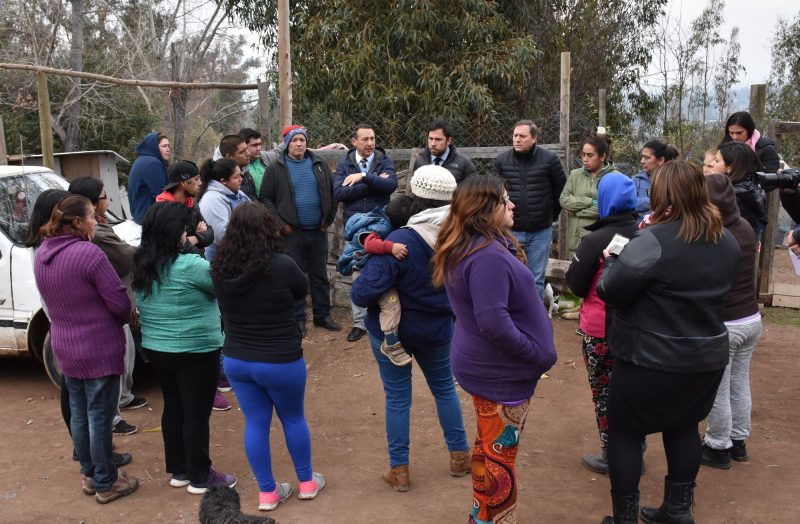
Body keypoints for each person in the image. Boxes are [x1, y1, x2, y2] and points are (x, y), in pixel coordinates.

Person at [595, 160, 740, 524]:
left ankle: (624, 518)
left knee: (625, 432)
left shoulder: (652, 240)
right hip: (705, 358)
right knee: (684, 426)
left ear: (663, 195)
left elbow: (610, 291)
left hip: (651, 360)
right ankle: (678, 511)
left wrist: (611, 261)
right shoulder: (726, 239)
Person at [432, 175, 557, 523]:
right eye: (505, 200)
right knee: (501, 461)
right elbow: (494, 322)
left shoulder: (472, 245)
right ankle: (498, 519)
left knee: (488, 449)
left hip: (488, 370)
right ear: (486, 209)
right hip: (501, 375)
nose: (512, 205)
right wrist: (538, 354)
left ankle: (480, 517)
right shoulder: (487, 256)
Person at [351, 166, 470, 493]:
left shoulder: (400, 239)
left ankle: (400, 470)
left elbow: (362, 293)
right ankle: (459, 457)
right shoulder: (461, 236)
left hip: (395, 335)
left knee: (398, 398)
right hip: (437, 330)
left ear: (414, 196)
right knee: (445, 388)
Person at [212, 202, 325, 512]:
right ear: (268, 229)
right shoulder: (282, 265)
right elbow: (301, 290)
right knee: (293, 418)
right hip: (280, 358)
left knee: (256, 424)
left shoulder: (219, 268)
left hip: (237, 359)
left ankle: (268, 493)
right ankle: (306, 483)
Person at [34, 195, 139, 504]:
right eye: (93, 216)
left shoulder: (42, 253)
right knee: (99, 416)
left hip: (65, 346)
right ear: (77, 223)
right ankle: (106, 482)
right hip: (98, 348)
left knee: (80, 415)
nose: (97, 220)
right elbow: (119, 303)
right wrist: (127, 315)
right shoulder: (89, 254)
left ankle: (90, 475)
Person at [132, 202, 236, 495]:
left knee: (174, 407)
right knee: (197, 412)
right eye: (184, 228)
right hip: (194, 349)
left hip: (158, 348)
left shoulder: (142, 263)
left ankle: (179, 470)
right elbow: (223, 286)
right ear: (175, 231)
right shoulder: (191, 265)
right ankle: (201, 475)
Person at [565, 173, 639, 475]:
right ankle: (636, 447)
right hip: (637, 328)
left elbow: (576, 284)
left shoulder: (595, 240)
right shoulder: (646, 233)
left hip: (600, 329)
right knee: (633, 390)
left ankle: (613, 455)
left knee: (604, 393)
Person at [68, 177, 146, 434]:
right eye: (104, 197)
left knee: (126, 358)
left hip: (116, 308)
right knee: (111, 370)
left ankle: (122, 400)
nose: (109, 201)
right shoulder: (94, 235)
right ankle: (110, 423)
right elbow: (126, 257)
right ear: (89, 205)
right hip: (108, 312)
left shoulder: (99, 228)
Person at [701, 174, 762, 470]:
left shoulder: (715, 234)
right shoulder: (745, 226)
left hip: (728, 324)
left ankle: (717, 446)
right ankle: (738, 441)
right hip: (751, 318)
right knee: (739, 381)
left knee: (718, 385)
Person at [259, 125, 340, 337]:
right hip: (290, 233)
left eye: (302, 140)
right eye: (294, 140)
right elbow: (266, 198)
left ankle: (322, 315)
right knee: (295, 276)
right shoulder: (276, 168)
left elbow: (333, 194)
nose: (298, 144)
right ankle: (297, 318)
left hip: (317, 231)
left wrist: (328, 219)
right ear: (287, 143)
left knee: (320, 274)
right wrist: (280, 225)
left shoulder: (319, 164)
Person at [334, 124, 398, 342]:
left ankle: (385, 317)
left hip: (380, 222)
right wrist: (373, 181)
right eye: (365, 139)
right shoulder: (344, 163)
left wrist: (362, 177)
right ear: (354, 142)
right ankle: (359, 323)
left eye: (372, 138)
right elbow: (339, 192)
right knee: (356, 269)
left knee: (382, 267)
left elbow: (390, 186)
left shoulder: (384, 160)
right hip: (354, 226)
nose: (370, 143)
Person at [493, 119, 566, 299]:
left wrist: (549, 215)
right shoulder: (502, 161)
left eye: (522, 136)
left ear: (534, 138)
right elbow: (494, 194)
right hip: (509, 230)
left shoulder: (550, 160)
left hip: (540, 231)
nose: (517, 139)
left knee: (536, 279)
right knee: (506, 276)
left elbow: (561, 191)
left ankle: (535, 322)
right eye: (515, 136)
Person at [722, 110, 800, 223]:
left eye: (739, 133)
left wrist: (750, 185)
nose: (734, 137)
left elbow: (772, 178)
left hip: (753, 205)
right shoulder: (726, 147)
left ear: (749, 130)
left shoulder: (766, 148)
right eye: (731, 133)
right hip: (728, 202)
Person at [559, 134, 618, 257]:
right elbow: (564, 200)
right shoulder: (575, 175)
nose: (585, 159)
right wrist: (590, 201)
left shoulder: (615, 177)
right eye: (583, 154)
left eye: (590, 155)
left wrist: (577, 211)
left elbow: (610, 209)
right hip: (576, 241)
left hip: (603, 240)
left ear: (602, 156)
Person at [156, 160, 214, 256]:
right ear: (183, 184)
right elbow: (181, 249)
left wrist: (195, 238)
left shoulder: (191, 203)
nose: (200, 183)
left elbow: (210, 233)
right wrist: (199, 239)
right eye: (196, 179)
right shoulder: (165, 211)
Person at [198, 158, 249, 262]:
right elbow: (222, 236)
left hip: (241, 255)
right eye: (236, 177)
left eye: (240, 175)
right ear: (223, 181)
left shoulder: (238, 193)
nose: (241, 179)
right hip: (222, 261)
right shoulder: (212, 200)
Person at [714, 141, 767, 237]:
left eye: (717, 161)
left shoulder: (733, 196)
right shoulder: (752, 189)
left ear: (731, 167)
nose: (713, 164)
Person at [414, 119, 477, 183]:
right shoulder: (420, 161)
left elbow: (472, 190)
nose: (433, 143)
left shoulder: (464, 163)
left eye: (438, 139)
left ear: (449, 141)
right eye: (430, 139)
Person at [632, 141, 680, 223]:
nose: (642, 161)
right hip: (640, 231)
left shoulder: (676, 180)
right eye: (642, 157)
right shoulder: (636, 180)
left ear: (660, 160)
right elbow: (629, 204)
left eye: (647, 157)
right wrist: (655, 202)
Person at [128, 131, 170, 224]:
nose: (168, 149)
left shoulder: (142, 160)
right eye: (164, 146)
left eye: (168, 146)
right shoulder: (152, 163)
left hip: (140, 215)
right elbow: (162, 195)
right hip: (150, 219)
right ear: (154, 147)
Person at [238, 127, 287, 198]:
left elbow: (278, 152)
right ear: (243, 146)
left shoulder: (263, 157)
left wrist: (292, 136)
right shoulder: (237, 168)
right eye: (254, 145)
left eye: (259, 144)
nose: (259, 148)